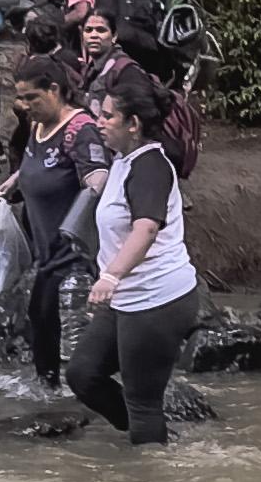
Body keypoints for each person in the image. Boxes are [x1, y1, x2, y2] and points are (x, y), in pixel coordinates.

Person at [63, 64, 202, 446]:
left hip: (158, 298)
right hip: (128, 298)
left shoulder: (152, 166)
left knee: (144, 403)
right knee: (83, 373)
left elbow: (146, 228)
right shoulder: (124, 161)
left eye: (108, 116)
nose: (99, 121)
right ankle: (157, 437)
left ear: (134, 124)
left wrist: (110, 276)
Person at [2, 52, 110, 391]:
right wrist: (17, 179)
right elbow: (41, 164)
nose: (23, 104)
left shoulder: (80, 130)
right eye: (19, 97)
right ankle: (48, 394)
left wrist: (80, 218)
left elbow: (99, 178)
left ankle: (83, 403)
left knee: (72, 336)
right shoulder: (38, 125)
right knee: (41, 320)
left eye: (31, 97)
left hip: (74, 257)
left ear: (54, 90)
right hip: (46, 254)